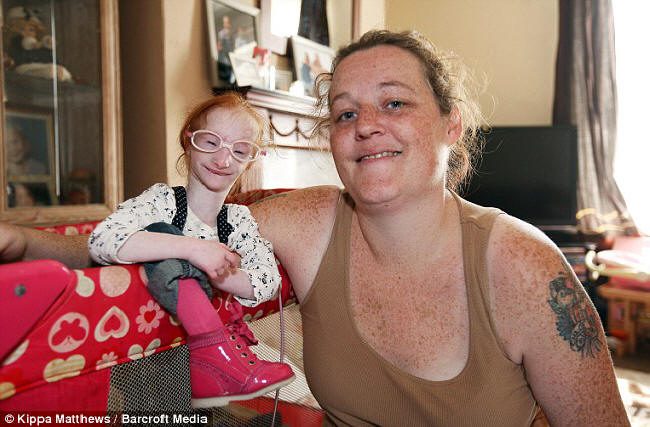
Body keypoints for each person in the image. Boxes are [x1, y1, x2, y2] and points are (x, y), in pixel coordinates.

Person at [0, 30, 629, 426]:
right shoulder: (309, 221)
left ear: (451, 125)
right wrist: (26, 242)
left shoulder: (524, 267)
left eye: (394, 102)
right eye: (345, 113)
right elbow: (158, 229)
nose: (366, 125)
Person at [87, 92, 294, 408]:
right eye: (210, 142)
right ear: (189, 142)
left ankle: (215, 358)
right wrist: (193, 250)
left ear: (250, 161)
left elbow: (269, 282)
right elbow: (101, 240)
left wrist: (217, 272)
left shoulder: (237, 219)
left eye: (239, 150)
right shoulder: (163, 202)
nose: (223, 160)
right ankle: (211, 347)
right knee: (161, 233)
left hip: (212, 372)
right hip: (150, 358)